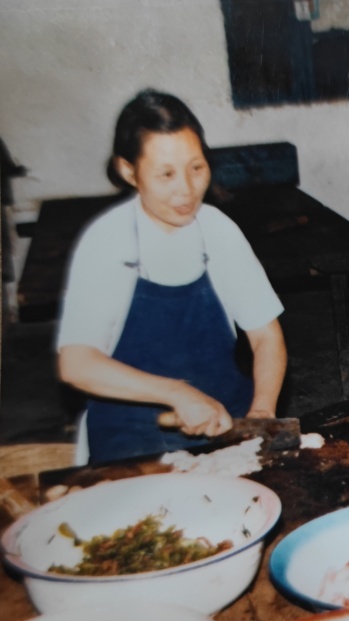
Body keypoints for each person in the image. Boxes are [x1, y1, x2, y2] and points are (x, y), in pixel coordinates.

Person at [57, 89, 287, 465]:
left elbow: (266, 336)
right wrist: (176, 393)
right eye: (166, 174)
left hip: (226, 422)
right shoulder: (106, 241)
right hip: (130, 437)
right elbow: (77, 363)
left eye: (196, 168)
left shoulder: (218, 231)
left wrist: (261, 411)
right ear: (128, 171)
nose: (187, 190)